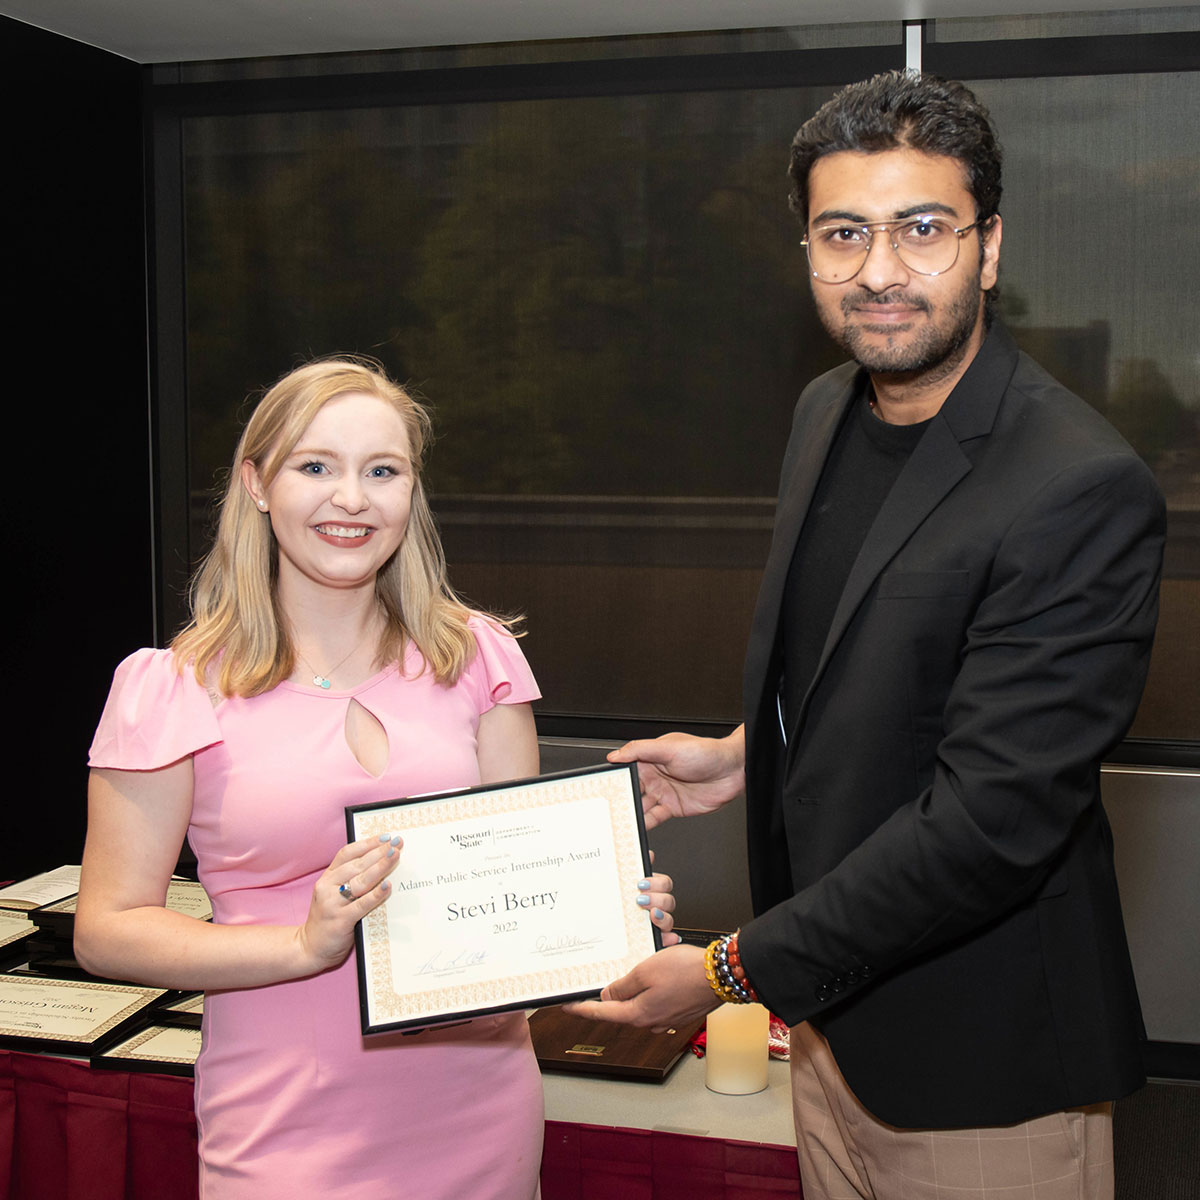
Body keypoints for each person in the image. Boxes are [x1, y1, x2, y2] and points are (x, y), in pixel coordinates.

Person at [568, 72, 1164, 1200]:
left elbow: (992, 822)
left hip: (983, 1065)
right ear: (808, 249)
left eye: (922, 229)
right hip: (833, 1029)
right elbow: (876, 662)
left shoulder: (1078, 486)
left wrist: (730, 969)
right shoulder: (825, 410)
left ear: (989, 248)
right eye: (844, 233)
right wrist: (747, 754)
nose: (879, 270)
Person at [76, 357, 673, 1199]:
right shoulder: (171, 688)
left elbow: (520, 889)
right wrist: (301, 945)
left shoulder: (476, 658)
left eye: (382, 471)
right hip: (285, 1120)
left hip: (479, 1108)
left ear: (411, 491)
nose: (352, 499)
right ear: (257, 484)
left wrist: (609, 915)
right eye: (316, 466)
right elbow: (106, 931)